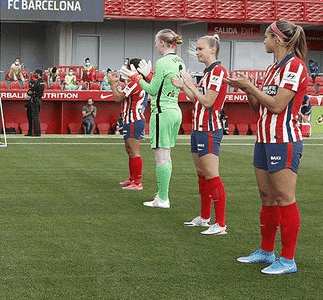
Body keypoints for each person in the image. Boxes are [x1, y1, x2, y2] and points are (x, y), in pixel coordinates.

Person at [227, 19, 309, 275]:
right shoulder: (272, 69)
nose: (263, 40)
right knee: (267, 198)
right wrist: (248, 90)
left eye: (266, 36)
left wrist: (250, 87)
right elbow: (259, 107)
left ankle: (288, 259)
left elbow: (277, 105)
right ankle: (266, 251)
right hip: (263, 140)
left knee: (285, 198)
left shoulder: (294, 66)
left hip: (283, 140)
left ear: (279, 39)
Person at [121, 28, 185, 209]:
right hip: (174, 110)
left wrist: (136, 77)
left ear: (163, 43)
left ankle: (163, 198)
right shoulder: (178, 60)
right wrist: (150, 75)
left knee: (161, 157)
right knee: (167, 156)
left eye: (156, 41)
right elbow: (165, 84)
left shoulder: (163, 61)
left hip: (162, 112)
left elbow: (152, 90)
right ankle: (162, 195)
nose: (155, 45)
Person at [172, 34, 229, 235]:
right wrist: (184, 87)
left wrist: (192, 86)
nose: (197, 52)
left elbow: (207, 101)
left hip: (209, 129)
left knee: (212, 175)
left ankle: (220, 224)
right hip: (198, 129)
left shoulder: (218, 71)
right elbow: (196, 98)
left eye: (200, 49)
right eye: (196, 49)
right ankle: (205, 217)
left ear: (213, 49)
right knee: (202, 175)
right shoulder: (208, 72)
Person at [108, 59, 148, 190]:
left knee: (134, 151)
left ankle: (137, 182)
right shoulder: (137, 83)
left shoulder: (134, 83)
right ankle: (132, 179)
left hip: (133, 120)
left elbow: (118, 98)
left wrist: (113, 85)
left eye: (127, 67)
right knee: (130, 150)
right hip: (131, 119)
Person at [25, 69, 45, 136]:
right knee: (32, 116)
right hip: (37, 100)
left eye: (36, 73)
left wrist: (29, 94)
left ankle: (37, 132)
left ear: (38, 74)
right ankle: (31, 132)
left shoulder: (37, 83)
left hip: (35, 100)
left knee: (34, 117)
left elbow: (31, 91)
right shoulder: (42, 83)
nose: (35, 75)